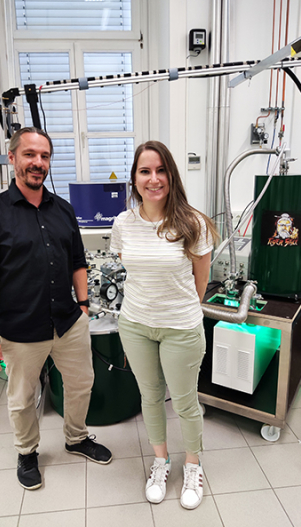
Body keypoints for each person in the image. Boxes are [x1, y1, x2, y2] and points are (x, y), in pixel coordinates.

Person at [0, 127, 112, 491]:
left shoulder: (62, 209)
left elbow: (78, 261)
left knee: (81, 384)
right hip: (20, 327)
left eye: (44, 156)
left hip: (67, 321)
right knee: (22, 398)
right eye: (30, 154)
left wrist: (83, 305)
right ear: (12, 158)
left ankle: (76, 438)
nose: (38, 163)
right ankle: (27, 452)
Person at [110, 141, 218, 510]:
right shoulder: (123, 224)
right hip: (136, 324)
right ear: (134, 179)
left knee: (186, 402)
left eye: (161, 171)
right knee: (150, 397)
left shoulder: (193, 223)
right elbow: (133, 270)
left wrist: (178, 309)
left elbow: (200, 284)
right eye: (145, 171)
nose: (153, 179)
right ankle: (160, 462)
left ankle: (192, 465)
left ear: (171, 175)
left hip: (181, 328)